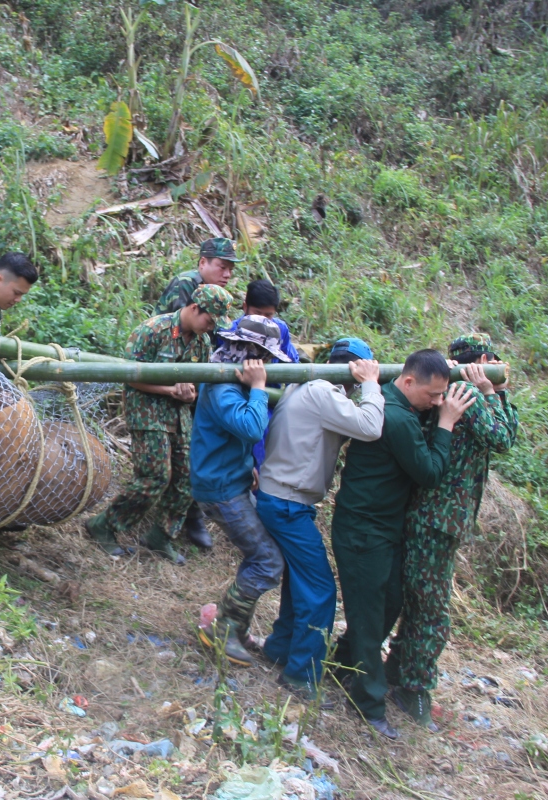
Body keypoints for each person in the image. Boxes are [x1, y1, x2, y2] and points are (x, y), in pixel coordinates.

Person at [328, 348, 474, 738]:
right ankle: (369, 704)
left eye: (443, 396)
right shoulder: (395, 417)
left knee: (389, 600)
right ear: (407, 382)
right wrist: (445, 425)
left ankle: (342, 666)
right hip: (363, 532)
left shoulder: (402, 407)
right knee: (369, 614)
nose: (439, 402)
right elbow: (429, 472)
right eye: (433, 395)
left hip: (381, 530)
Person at [387, 334, 519, 732]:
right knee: (431, 613)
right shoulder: (465, 393)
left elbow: (505, 427)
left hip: (440, 519)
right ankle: (413, 687)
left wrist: (500, 393)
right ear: (483, 359)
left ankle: (398, 670)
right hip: (437, 519)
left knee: (421, 603)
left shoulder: (463, 392)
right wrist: (487, 391)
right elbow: (503, 439)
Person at [255, 337, 385, 705]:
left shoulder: (309, 388)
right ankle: (300, 674)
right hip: (287, 503)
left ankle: (282, 646)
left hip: (283, 498)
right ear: (356, 370)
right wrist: (372, 385)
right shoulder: (322, 392)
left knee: (302, 580)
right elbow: (370, 425)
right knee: (321, 589)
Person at [84, 285, 234, 564]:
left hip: (180, 417)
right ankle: (104, 525)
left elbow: (199, 383)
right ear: (193, 308)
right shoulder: (153, 330)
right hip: (147, 413)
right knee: (155, 476)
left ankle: (162, 535)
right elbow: (128, 375)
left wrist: (192, 393)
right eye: (209, 320)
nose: (210, 327)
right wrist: (169, 391)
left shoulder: (201, 342)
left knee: (187, 478)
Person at [191, 315, 291, 666]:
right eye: (263, 358)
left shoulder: (231, 379)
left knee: (260, 554)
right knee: (268, 561)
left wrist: (249, 465)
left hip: (230, 479)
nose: (267, 365)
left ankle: (236, 622)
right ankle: (223, 628)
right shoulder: (222, 383)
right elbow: (249, 427)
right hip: (219, 488)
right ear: (249, 353)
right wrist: (260, 387)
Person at [151, 237, 242, 550]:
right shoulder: (186, 286)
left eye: (231, 268)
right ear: (203, 262)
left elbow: (223, 336)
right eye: (222, 266)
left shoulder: (218, 296)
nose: (227, 273)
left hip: (199, 378)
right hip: (172, 376)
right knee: (184, 453)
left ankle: (190, 512)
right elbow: (183, 339)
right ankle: (186, 516)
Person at [241, 279, 300, 468]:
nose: (262, 322)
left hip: (271, 405)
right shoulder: (233, 332)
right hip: (240, 407)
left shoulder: (280, 329)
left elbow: (293, 367)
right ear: (245, 307)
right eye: (257, 314)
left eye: (269, 316)